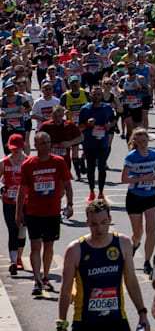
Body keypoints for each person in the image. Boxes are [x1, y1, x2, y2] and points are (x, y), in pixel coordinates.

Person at [57, 199, 147, 331]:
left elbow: (131, 281)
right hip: (85, 321)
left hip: (116, 319)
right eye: (94, 224)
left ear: (110, 219)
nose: (99, 228)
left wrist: (142, 313)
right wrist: (61, 322)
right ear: (87, 222)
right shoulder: (75, 250)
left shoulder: (123, 243)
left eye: (103, 222)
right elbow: (66, 289)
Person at [18, 129, 74, 296]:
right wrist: (19, 212)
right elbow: (22, 190)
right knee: (35, 245)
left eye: (48, 142)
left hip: (53, 212)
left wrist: (70, 204)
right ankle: (36, 280)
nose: (47, 145)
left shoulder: (58, 162)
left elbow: (67, 184)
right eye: (43, 143)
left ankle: (46, 277)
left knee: (49, 246)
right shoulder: (28, 165)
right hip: (34, 212)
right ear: (35, 145)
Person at [120, 127, 155, 274]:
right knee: (137, 233)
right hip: (135, 197)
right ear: (135, 142)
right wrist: (142, 178)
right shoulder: (131, 157)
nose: (143, 144)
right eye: (140, 142)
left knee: (151, 230)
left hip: (151, 195)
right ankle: (135, 244)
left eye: (145, 141)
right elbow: (124, 179)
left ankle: (147, 261)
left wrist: (153, 177)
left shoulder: (154, 154)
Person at [3, 133, 27, 276]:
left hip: (25, 201)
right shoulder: (3, 162)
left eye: (17, 148)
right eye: (13, 148)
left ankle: (19, 257)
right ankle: (13, 261)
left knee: (22, 231)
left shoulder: (28, 161)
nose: (15, 150)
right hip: (9, 201)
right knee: (12, 229)